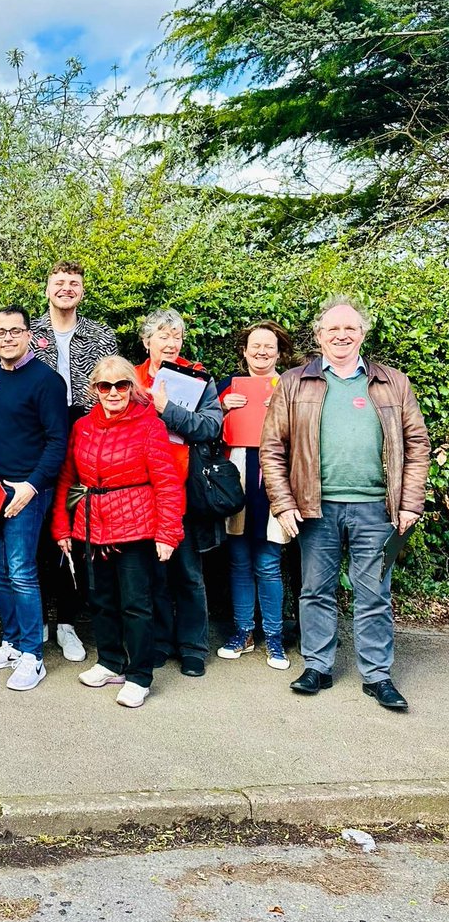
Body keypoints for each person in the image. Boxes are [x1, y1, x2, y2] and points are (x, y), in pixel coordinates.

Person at [260, 296, 430, 711]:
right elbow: (272, 449)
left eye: (350, 328)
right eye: (332, 329)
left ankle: (377, 675)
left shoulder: (394, 382)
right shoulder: (294, 382)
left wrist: (410, 503)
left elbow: (417, 444)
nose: (341, 335)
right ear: (319, 336)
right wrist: (283, 504)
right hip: (315, 508)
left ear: (362, 333)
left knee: (374, 593)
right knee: (315, 590)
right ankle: (318, 666)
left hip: (376, 508)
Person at [51, 357, 184, 708]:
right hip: (92, 525)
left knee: (137, 605)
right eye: (105, 386)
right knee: (101, 600)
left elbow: (168, 483)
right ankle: (110, 661)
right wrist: (62, 526)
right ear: (94, 389)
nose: (113, 393)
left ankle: (140, 676)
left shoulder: (149, 425)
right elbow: (67, 479)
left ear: (132, 388)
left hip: (136, 525)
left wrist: (168, 533)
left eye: (121, 385)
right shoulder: (81, 426)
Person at [0, 306, 68, 692]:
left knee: (22, 571)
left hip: (26, 492)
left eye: (15, 331)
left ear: (28, 335)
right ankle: (11, 643)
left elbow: (58, 441)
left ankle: (32, 656)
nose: (7, 337)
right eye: (0, 332)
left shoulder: (47, 381)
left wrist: (32, 485)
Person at [30, 262, 119, 663]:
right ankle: (39, 619)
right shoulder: (29, 334)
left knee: (72, 527)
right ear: (47, 289)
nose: (66, 289)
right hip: (38, 438)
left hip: (86, 433)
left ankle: (66, 620)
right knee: (35, 532)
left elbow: (113, 389)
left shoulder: (101, 336)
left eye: (74, 284)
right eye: (59, 283)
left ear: (82, 291)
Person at [133, 308, 224, 678]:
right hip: (141, 488)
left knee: (187, 571)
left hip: (185, 486)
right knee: (151, 572)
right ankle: (159, 642)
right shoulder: (131, 378)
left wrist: (167, 410)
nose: (171, 343)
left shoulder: (198, 376)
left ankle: (192, 647)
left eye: (177, 337)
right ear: (147, 341)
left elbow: (211, 426)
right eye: (163, 336)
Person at [215, 321, 295, 671]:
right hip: (236, 478)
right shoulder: (225, 386)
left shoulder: (292, 386)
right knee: (239, 561)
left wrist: (284, 408)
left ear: (279, 352)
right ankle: (244, 632)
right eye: (255, 345)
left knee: (268, 562)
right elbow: (201, 429)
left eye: (269, 346)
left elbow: (309, 432)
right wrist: (221, 407)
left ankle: (274, 637)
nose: (261, 351)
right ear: (244, 351)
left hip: (275, 477)